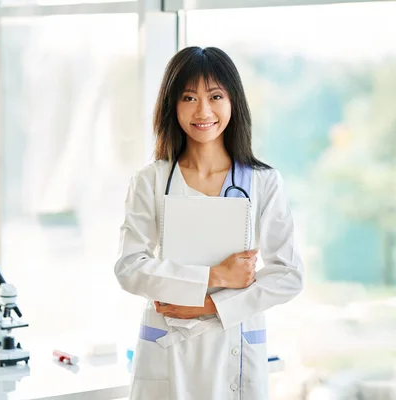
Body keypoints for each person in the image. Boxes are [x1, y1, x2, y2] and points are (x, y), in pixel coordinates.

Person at [114, 46, 304, 400]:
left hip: (235, 347)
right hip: (168, 350)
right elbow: (128, 268)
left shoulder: (263, 182)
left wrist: (213, 305)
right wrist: (216, 277)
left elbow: (289, 275)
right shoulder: (151, 180)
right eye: (189, 97)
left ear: (234, 102)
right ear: (173, 105)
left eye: (215, 96)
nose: (203, 111)